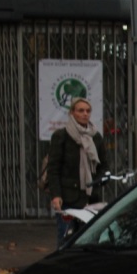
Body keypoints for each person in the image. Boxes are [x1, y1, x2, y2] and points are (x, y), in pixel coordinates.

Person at [47, 97, 107, 249]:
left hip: (91, 198)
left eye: (88, 111)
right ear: (72, 113)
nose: (85, 114)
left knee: (90, 240)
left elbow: (104, 166)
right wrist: (56, 195)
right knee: (66, 239)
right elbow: (54, 169)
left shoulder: (96, 137)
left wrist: (97, 184)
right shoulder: (61, 136)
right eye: (81, 110)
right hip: (67, 198)